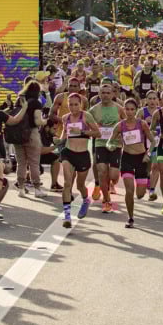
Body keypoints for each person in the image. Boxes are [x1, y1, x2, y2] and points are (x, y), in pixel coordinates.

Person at [106, 98, 151, 227]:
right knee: (129, 191)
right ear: (124, 110)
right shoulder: (120, 125)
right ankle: (130, 218)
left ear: (136, 110)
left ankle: (145, 178)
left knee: (140, 195)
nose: (130, 112)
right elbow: (110, 140)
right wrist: (110, 146)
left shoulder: (141, 124)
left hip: (141, 159)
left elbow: (153, 141)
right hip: (127, 159)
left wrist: (148, 154)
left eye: (132, 109)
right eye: (127, 109)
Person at [59, 92, 100, 228]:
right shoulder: (65, 118)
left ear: (80, 104)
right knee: (67, 183)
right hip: (68, 153)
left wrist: (83, 132)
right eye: (70, 104)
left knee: (80, 185)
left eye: (76, 104)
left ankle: (85, 200)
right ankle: (67, 217)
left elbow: (97, 133)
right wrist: (58, 141)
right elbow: (64, 135)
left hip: (82, 155)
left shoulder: (86, 116)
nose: (73, 107)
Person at [88, 83, 121, 212]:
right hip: (100, 143)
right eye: (103, 93)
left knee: (113, 175)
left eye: (108, 93)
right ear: (99, 94)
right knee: (102, 171)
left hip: (115, 144)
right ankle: (107, 201)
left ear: (113, 94)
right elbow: (87, 124)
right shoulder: (94, 110)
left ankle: (111, 184)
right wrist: (95, 128)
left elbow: (126, 122)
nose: (106, 95)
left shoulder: (119, 108)